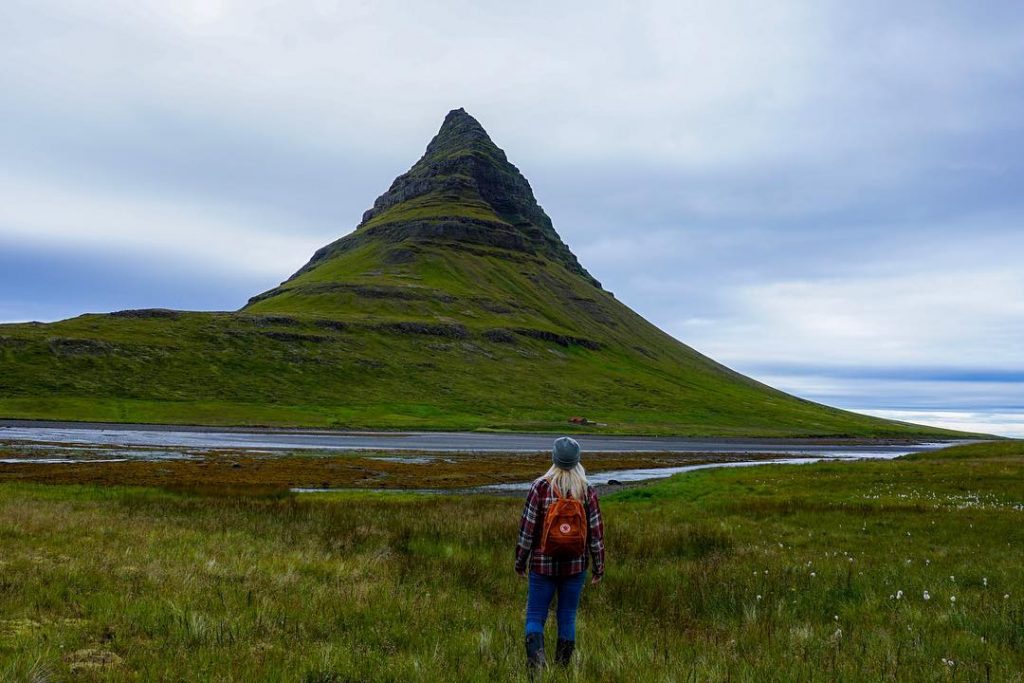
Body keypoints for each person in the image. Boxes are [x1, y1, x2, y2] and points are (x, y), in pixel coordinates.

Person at [515, 436, 605, 671]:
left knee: (535, 615)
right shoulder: (587, 491)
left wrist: (520, 562)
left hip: (541, 566)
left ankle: (536, 666)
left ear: (554, 458)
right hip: (575, 567)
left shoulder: (540, 487)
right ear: (577, 461)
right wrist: (599, 566)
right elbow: (596, 534)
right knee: (567, 617)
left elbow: (527, 530)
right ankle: (562, 671)